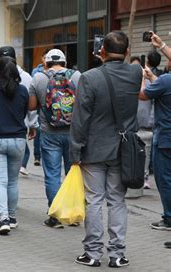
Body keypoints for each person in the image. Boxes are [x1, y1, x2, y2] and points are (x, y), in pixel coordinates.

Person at [70, 30, 142, 268]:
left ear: (101, 51)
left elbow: (80, 119)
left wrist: (75, 151)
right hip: (123, 150)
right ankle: (117, 254)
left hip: (94, 149)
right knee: (117, 201)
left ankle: (92, 253)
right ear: (128, 52)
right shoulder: (135, 72)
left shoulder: (89, 78)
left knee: (94, 200)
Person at [0, 56, 33, 234]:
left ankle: (3, 219)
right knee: (12, 182)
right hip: (18, 140)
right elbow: (24, 112)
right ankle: (12, 217)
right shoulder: (23, 91)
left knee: (0, 182)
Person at [29, 48, 81, 228]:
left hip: (49, 132)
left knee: (52, 175)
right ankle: (73, 215)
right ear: (65, 63)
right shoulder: (76, 76)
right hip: (73, 133)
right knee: (71, 173)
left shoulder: (39, 78)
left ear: (46, 63)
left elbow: (31, 106)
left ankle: (56, 215)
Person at [0, 46, 37, 176]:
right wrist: (32, 125)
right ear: (15, 59)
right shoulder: (26, 77)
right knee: (12, 181)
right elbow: (31, 106)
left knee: (0, 180)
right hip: (18, 132)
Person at [140, 31, 171, 233]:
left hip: (166, 138)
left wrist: (144, 78)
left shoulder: (166, 80)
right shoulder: (163, 80)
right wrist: (161, 46)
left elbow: (143, 95)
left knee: (164, 178)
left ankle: (169, 218)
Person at [130, 56, 154, 190]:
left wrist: (151, 120)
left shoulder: (150, 84)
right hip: (131, 125)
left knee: (145, 153)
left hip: (145, 125)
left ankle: (144, 177)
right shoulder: (127, 83)